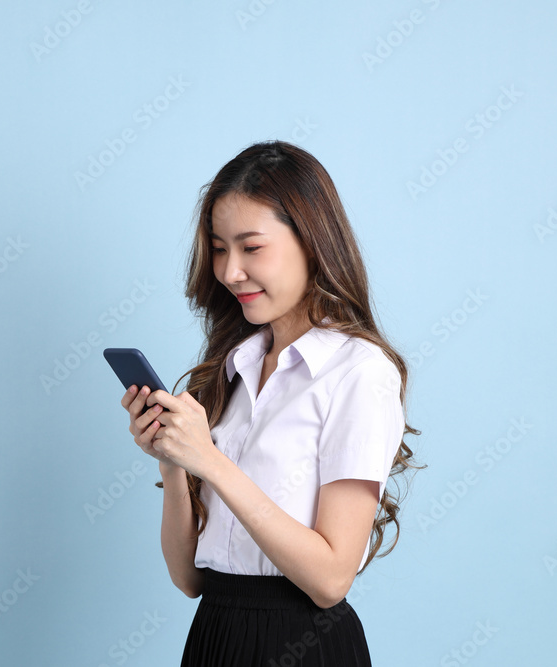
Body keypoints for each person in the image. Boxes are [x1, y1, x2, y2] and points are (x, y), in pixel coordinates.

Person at [118, 140, 422, 666]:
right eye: (218, 248)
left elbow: (330, 580)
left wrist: (208, 460)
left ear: (312, 242)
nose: (230, 271)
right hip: (214, 635)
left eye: (250, 247)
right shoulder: (231, 368)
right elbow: (189, 578)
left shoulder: (359, 372)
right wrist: (173, 463)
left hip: (303, 644)